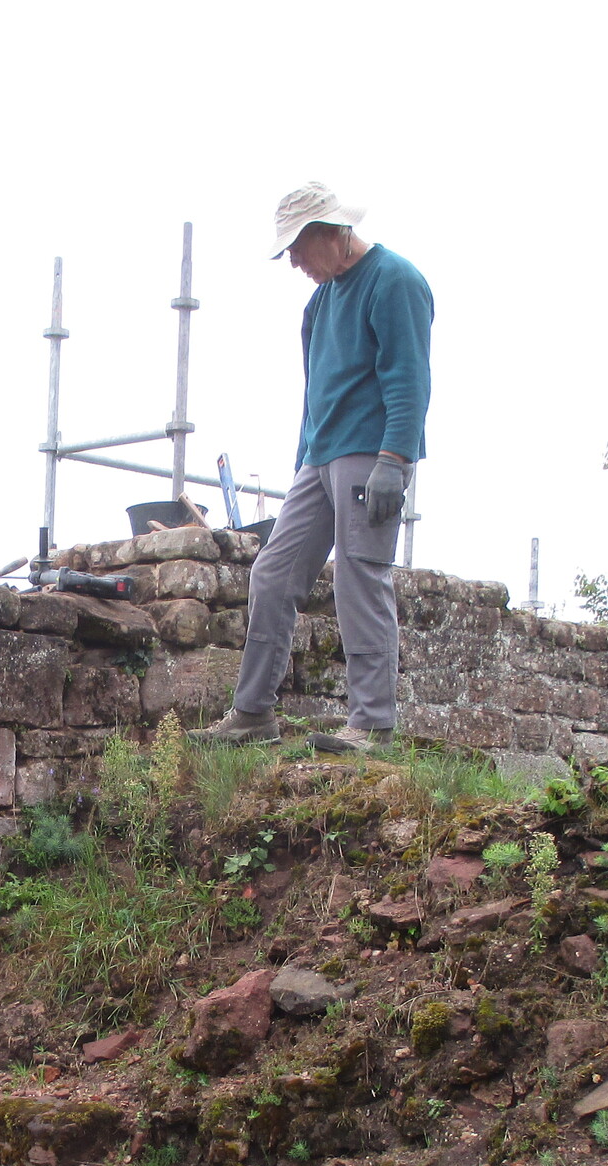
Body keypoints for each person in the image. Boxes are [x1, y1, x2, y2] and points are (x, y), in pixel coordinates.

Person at [194, 182, 434, 753]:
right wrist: (304, 460)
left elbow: (409, 378)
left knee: (360, 579)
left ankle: (372, 725)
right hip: (319, 458)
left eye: (297, 249)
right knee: (271, 574)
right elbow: (315, 391)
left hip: (370, 455)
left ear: (328, 232)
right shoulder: (321, 301)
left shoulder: (394, 280)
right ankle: (253, 713)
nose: (293, 262)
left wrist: (394, 460)